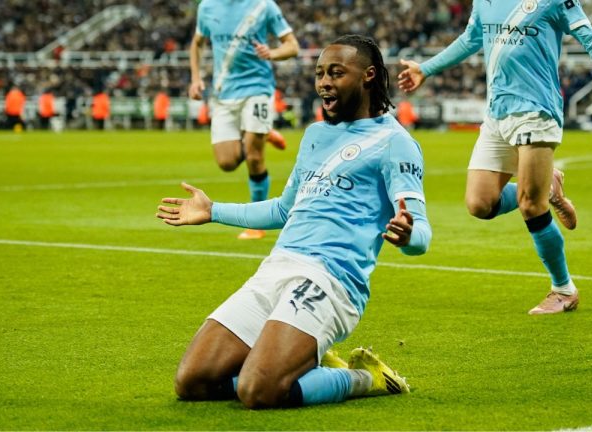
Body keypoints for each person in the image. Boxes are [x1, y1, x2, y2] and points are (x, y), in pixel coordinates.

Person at [156, 35, 431, 409]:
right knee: (192, 381)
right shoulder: (316, 135)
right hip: (276, 269)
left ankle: (366, 378)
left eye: (336, 73)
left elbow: (422, 236)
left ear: (368, 76)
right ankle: (303, 363)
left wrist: (409, 234)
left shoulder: (395, 142)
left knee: (258, 391)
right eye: (320, 74)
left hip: (331, 281)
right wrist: (212, 211)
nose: (324, 83)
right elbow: (285, 211)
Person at [398, 0, 592, 314]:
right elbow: (470, 39)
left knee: (530, 205)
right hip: (497, 115)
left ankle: (563, 289)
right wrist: (425, 69)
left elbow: (590, 37)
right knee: (479, 204)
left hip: (537, 111)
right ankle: (547, 188)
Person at [188, 0, 299, 240]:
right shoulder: (207, 7)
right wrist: (195, 78)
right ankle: (261, 134)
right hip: (223, 94)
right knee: (226, 162)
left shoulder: (263, 6)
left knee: (254, 156)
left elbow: (292, 46)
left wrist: (273, 53)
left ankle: (256, 225)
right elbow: (196, 44)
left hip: (257, 90)